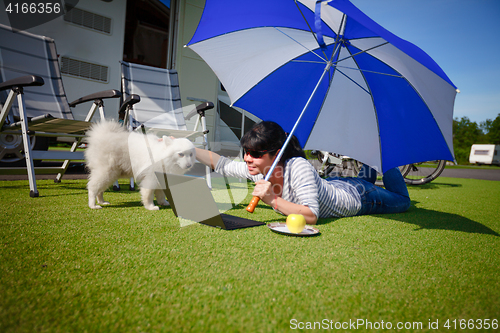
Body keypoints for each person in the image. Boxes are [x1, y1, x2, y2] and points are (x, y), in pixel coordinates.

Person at [195, 121, 410, 225]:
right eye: (245, 152)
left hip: (361, 198)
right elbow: (221, 164)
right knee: (362, 177)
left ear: (276, 154)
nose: (246, 158)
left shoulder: (298, 166)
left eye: (254, 153)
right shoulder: (259, 170)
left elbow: (311, 215)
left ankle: (383, 148)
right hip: (339, 183)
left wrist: (272, 199)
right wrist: (188, 150)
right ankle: (373, 151)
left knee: (403, 201)